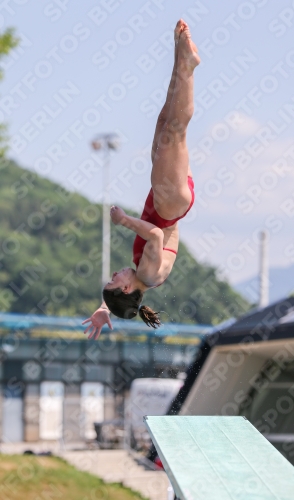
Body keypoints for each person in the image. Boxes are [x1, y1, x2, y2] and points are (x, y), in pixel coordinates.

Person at [82, 20, 200, 339]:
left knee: (164, 122)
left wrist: (107, 308)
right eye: (114, 278)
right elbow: (156, 238)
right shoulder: (147, 274)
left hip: (168, 200)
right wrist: (123, 221)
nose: (116, 272)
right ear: (125, 286)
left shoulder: (143, 281)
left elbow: (129, 297)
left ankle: (180, 55)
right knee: (175, 129)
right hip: (168, 203)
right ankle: (187, 66)